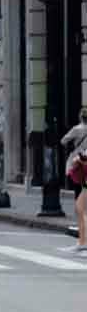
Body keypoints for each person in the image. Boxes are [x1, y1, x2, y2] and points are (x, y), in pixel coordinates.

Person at [58, 108, 87, 256]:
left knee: (80, 207)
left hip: (82, 168)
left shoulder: (78, 129)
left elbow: (63, 140)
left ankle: (83, 242)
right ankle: (82, 242)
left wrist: (77, 154)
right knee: (81, 206)